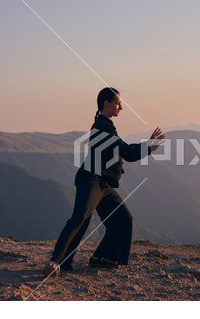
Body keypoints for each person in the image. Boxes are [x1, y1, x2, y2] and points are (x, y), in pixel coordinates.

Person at [42, 87, 164, 278]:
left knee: (123, 219)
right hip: (91, 180)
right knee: (80, 218)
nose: (121, 108)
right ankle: (55, 261)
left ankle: (102, 257)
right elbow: (128, 152)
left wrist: (148, 145)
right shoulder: (102, 127)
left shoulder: (105, 125)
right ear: (106, 104)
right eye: (118, 103)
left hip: (103, 184)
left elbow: (123, 151)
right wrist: (149, 146)